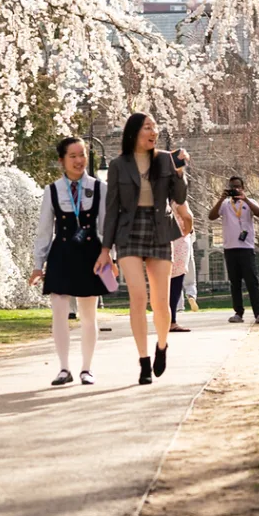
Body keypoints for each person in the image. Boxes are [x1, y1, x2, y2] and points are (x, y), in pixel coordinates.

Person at [96, 113, 189, 385]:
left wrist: (180, 173)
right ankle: (143, 361)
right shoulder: (117, 165)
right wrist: (106, 249)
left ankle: (162, 345)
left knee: (161, 301)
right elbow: (111, 210)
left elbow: (179, 198)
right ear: (134, 132)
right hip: (128, 232)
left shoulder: (165, 160)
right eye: (148, 127)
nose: (153, 132)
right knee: (138, 297)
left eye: (155, 127)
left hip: (160, 229)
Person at [31, 137, 110, 386]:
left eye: (82, 155)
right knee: (59, 313)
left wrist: (109, 255)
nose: (78, 161)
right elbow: (44, 230)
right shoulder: (52, 190)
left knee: (88, 315)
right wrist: (37, 264)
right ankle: (64, 368)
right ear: (61, 161)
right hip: (62, 254)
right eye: (72, 156)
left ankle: (87, 368)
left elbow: (106, 226)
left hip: (92, 255)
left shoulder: (100, 188)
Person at [208, 176, 259, 324]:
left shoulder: (249, 202)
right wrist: (221, 199)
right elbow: (211, 216)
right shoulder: (225, 204)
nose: (235, 189)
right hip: (230, 248)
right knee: (235, 282)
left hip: (246, 248)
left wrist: (245, 199)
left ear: (243, 188)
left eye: (238, 186)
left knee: (252, 281)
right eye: (232, 186)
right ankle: (238, 313)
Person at [169, 213, 196, 333]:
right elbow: (188, 217)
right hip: (180, 242)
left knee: (162, 285)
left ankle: (163, 319)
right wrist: (187, 232)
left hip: (160, 240)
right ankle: (172, 321)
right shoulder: (178, 200)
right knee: (176, 283)